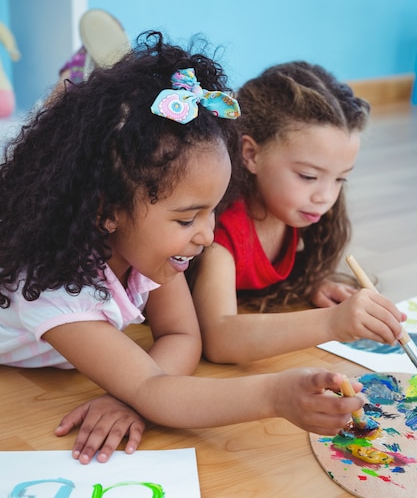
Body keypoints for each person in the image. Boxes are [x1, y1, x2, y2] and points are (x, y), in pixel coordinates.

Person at [0, 34, 366, 465]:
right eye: (187, 218)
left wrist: (133, 396)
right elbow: (156, 389)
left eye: (214, 211)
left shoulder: (148, 254)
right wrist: (275, 394)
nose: (208, 236)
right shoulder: (57, 288)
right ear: (107, 212)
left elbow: (181, 336)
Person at [189, 61, 406, 364]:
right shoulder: (221, 234)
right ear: (250, 154)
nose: (326, 196)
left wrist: (311, 282)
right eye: (308, 176)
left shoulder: (292, 210)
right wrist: (333, 322)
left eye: (340, 178)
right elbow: (219, 338)